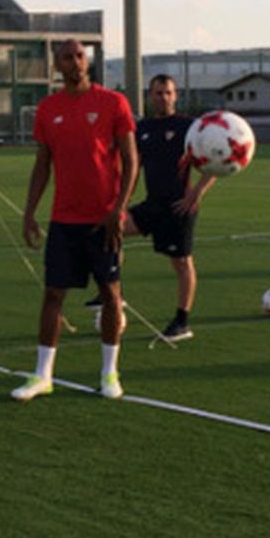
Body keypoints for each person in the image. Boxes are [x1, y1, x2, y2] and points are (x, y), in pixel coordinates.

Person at [13, 39, 138, 401]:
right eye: (68, 57)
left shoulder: (113, 103)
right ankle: (42, 376)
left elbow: (131, 160)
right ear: (57, 66)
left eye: (81, 56)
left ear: (88, 62)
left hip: (104, 219)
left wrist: (119, 209)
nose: (76, 62)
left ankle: (109, 373)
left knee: (110, 294)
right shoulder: (47, 109)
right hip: (64, 220)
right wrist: (30, 211)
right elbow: (42, 164)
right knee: (53, 294)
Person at [87, 74, 216, 342]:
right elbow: (133, 169)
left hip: (179, 209)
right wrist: (119, 203)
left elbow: (215, 159)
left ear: (176, 95)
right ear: (150, 96)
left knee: (181, 263)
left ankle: (182, 321)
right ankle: (114, 294)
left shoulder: (188, 127)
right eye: (158, 93)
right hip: (152, 205)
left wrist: (196, 193)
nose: (163, 98)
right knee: (108, 232)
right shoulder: (142, 128)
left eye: (168, 93)